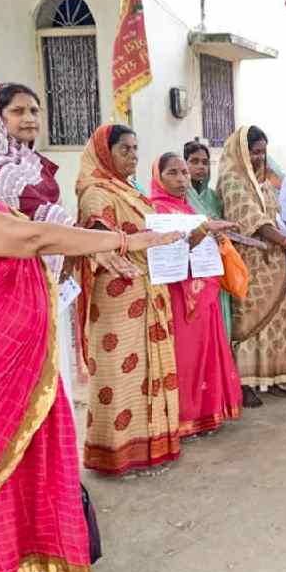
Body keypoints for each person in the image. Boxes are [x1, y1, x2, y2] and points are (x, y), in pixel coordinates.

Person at [0, 101, 178, 572]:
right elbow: (29, 238)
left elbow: (40, 248)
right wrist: (120, 242)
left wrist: (96, 255)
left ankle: (27, 564)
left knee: (31, 461)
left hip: (20, 362)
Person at [0, 83, 136, 417]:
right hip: (14, 286)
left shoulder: (32, 163)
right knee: (25, 381)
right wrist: (91, 245)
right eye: (18, 111)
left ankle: (52, 458)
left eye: (34, 111)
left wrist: (77, 247)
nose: (29, 119)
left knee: (51, 374)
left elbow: (50, 215)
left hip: (48, 280)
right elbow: (23, 223)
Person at [76, 124, 203, 475]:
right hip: (118, 294)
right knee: (121, 374)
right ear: (105, 153)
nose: (132, 156)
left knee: (150, 369)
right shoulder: (96, 191)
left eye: (135, 149)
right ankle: (115, 454)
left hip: (150, 288)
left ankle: (152, 446)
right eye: (124, 150)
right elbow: (95, 227)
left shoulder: (128, 190)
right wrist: (108, 244)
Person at [150, 152, 242, 437]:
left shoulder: (189, 209)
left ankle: (206, 413)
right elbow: (166, 252)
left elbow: (198, 242)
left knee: (206, 350)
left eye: (183, 173)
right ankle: (183, 418)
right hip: (177, 294)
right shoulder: (155, 211)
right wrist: (203, 231)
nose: (181, 179)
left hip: (204, 290)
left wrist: (213, 238)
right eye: (173, 173)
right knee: (184, 356)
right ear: (158, 176)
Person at [216, 126, 286, 407]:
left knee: (278, 320)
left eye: (262, 152)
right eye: (254, 151)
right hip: (248, 263)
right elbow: (253, 220)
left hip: (275, 262)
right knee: (250, 321)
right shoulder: (232, 181)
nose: (259, 157)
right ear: (241, 152)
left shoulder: (265, 183)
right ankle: (246, 383)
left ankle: (276, 376)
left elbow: (277, 217)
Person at [184, 138, 233, 341]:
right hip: (191, 269)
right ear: (185, 163)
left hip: (214, 264)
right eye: (194, 161)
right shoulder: (180, 196)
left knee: (219, 318)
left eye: (205, 162)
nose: (200, 167)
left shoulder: (214, 197)